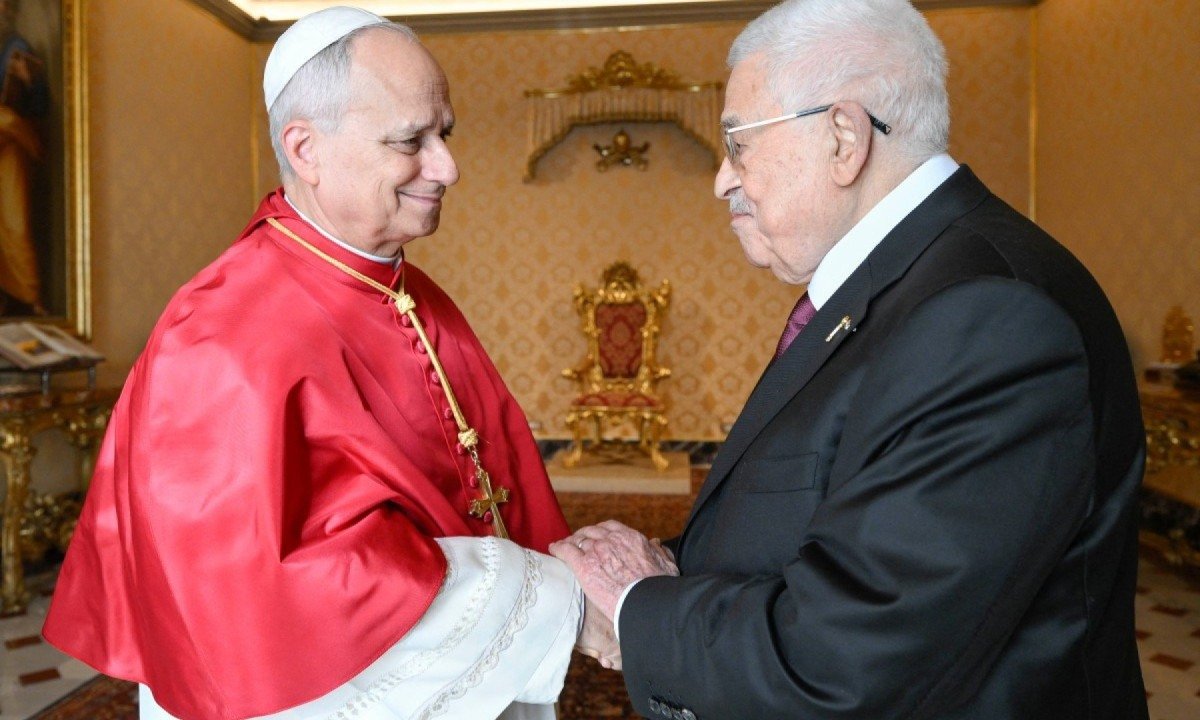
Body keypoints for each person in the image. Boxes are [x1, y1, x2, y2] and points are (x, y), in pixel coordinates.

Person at [551, 1, 1149, 718]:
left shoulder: (987, 315)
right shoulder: (913, 285)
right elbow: (834, 526)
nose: (722, 179)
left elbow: (847, 664)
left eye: (738, 143)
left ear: (843, 137)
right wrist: (671, 566)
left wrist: (636, 604)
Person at [44, 7, 615, 720]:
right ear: (306, 149)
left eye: (445, 133)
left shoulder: (408, 290)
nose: (448, 167)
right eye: (410, 140)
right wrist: (558, 600)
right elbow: (273, 603)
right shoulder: (219, 334)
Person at [0, 0, 48, 315]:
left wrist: (27, 79)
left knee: (14, 222)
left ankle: (29, 298)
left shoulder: (15, 46)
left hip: (11, 144)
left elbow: (39, 104)